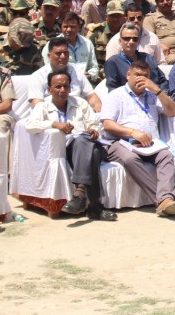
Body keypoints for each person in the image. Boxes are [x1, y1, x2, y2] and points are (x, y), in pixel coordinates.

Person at [22, 66, 112, 221]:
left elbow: (94, 124)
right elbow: (29, 125)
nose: (62, 90)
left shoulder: (80, 103)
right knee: (93, 153)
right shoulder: (43, 106)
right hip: (64, 150)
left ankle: (79, 194)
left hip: (84, 146)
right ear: (49, 89)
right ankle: (94, 207)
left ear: (70, 88)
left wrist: (93, 130)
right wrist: (54, 124)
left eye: (65, 86)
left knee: (85, 141)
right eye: (57, 87)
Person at [99, 55, 175, 217]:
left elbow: (173, 111)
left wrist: (157, 90)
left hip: (150, 143)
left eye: (145, 76)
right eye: (137, 75)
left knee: (166, 155)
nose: (141, 79)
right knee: (130, 159)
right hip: (121, 142)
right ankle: (162, 200)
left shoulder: (152, 95)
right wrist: (132, 132)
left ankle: (165, 197)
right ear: (128, 75)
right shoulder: (116, 95)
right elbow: (108, 124)